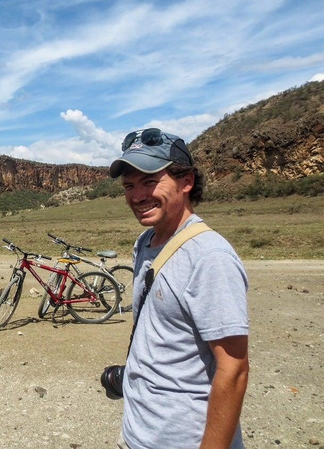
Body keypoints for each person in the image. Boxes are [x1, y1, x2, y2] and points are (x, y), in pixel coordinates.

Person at [109, 128, 249, 449]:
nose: (137, 195)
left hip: (181, 439)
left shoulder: (209, 256)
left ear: (186, 182)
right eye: (129, 186)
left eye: (149, 181)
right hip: (138, 432)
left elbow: (234, 369)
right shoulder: (145, 242)